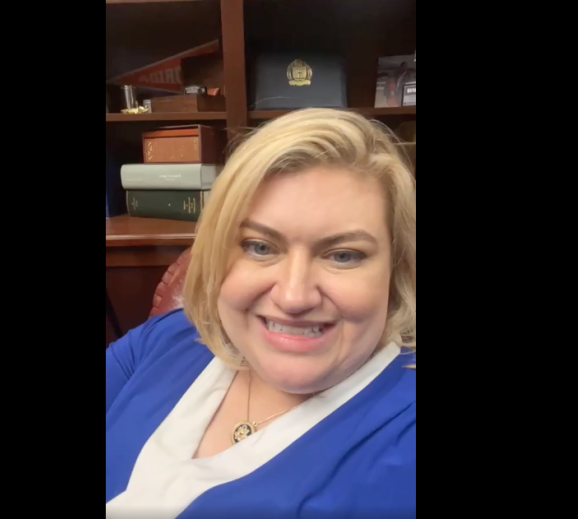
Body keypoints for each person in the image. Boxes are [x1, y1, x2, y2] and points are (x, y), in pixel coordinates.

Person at [106, 108, 416, 519]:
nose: (293, 297)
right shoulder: (168, 338)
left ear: (396, 270)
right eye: (260, 247)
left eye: (343, 255)